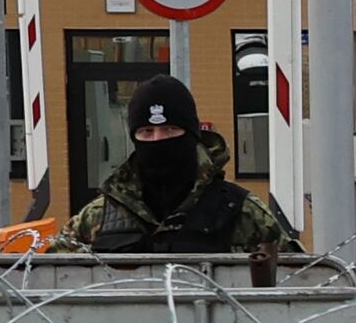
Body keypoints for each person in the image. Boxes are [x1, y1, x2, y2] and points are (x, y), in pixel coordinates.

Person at [61, 70, 299, 260]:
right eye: (147, 131)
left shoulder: (241, 212)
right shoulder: (99, 217)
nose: (158, 140)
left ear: (192, 134)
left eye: (170, 129)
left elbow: (298, 284)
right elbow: (48, 281)